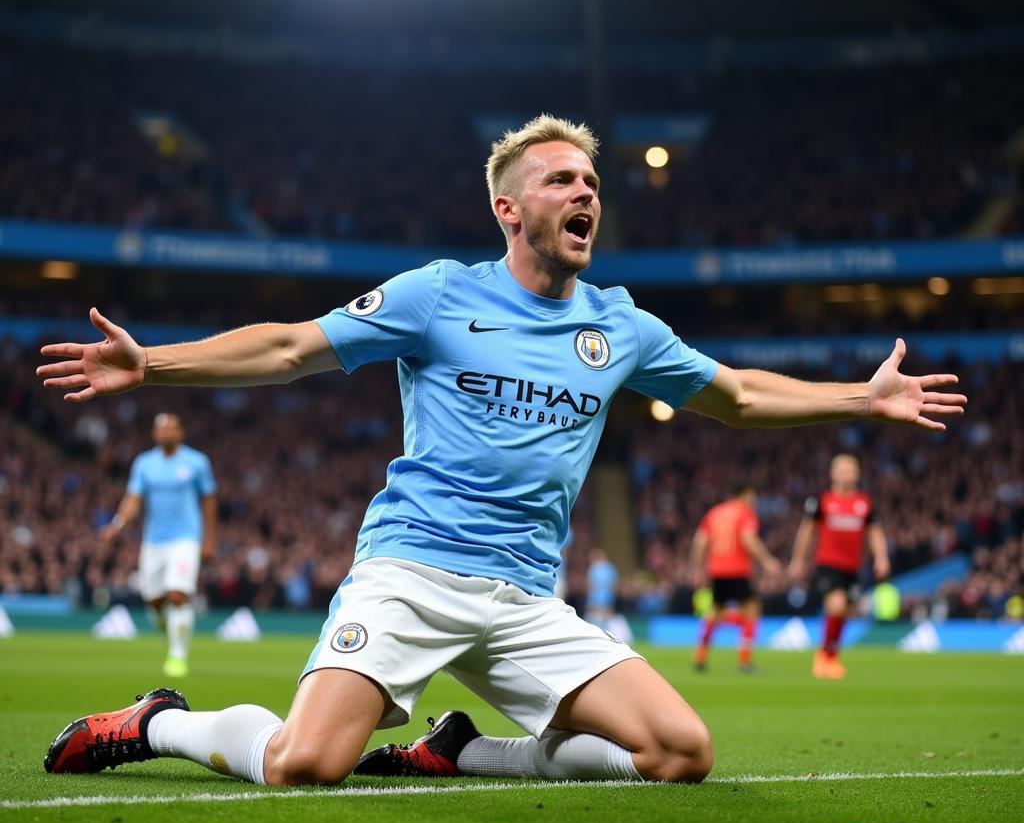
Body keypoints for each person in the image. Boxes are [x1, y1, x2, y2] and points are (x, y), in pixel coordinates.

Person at [38, 115, 965, 787]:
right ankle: (160, 726)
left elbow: (738, 395)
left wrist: (860, 398)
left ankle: (465, 751)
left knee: (681, 753)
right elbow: (289, 346)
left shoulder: (621, 326)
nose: (585, 194)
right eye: (562, 181)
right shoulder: (439, 295)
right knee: (305, 763)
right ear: (509, 209)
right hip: (414, 570)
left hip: (526, 599)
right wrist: (152, 362)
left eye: (592, 184)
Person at [101, 412, 217, 678]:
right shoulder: (144, 463)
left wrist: (209, 540)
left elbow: (210, 501)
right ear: (154, 434)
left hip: (186, 538)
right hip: (153, 540)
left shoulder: (196, 462)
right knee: (154, 601)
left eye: (171, 428)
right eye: (161, 429)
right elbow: (133, 498)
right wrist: (118, 524)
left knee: (177, 595)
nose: (166, 432)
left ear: (181, 432)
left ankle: (178, 656)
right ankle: (175, 634)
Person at [788, 453, 889, 679]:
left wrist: (882, 557)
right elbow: (806, 531)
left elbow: (875, 532)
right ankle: (825, 657)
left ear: (858, 474)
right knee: (836, 605)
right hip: (827, 564)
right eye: (843, 470)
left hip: (852, 568)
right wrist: (798, 560)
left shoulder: (864, 503)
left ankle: (829, 654)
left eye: (851, 470)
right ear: (833, 474)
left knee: (846, 611)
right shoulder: (822, 501)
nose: (847, 474)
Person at [690, 484, 781, 673]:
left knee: (715, 611)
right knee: (752, 610)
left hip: (716, 570)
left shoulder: (714, 513)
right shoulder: (745, 513)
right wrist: (766, 560)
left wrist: (698, 568)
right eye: (752, 497)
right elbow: (748, 538)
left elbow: (700, 541)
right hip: (737, 570)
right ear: (745, 494)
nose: (754, 501)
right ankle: (745, 661)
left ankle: (700, 656)